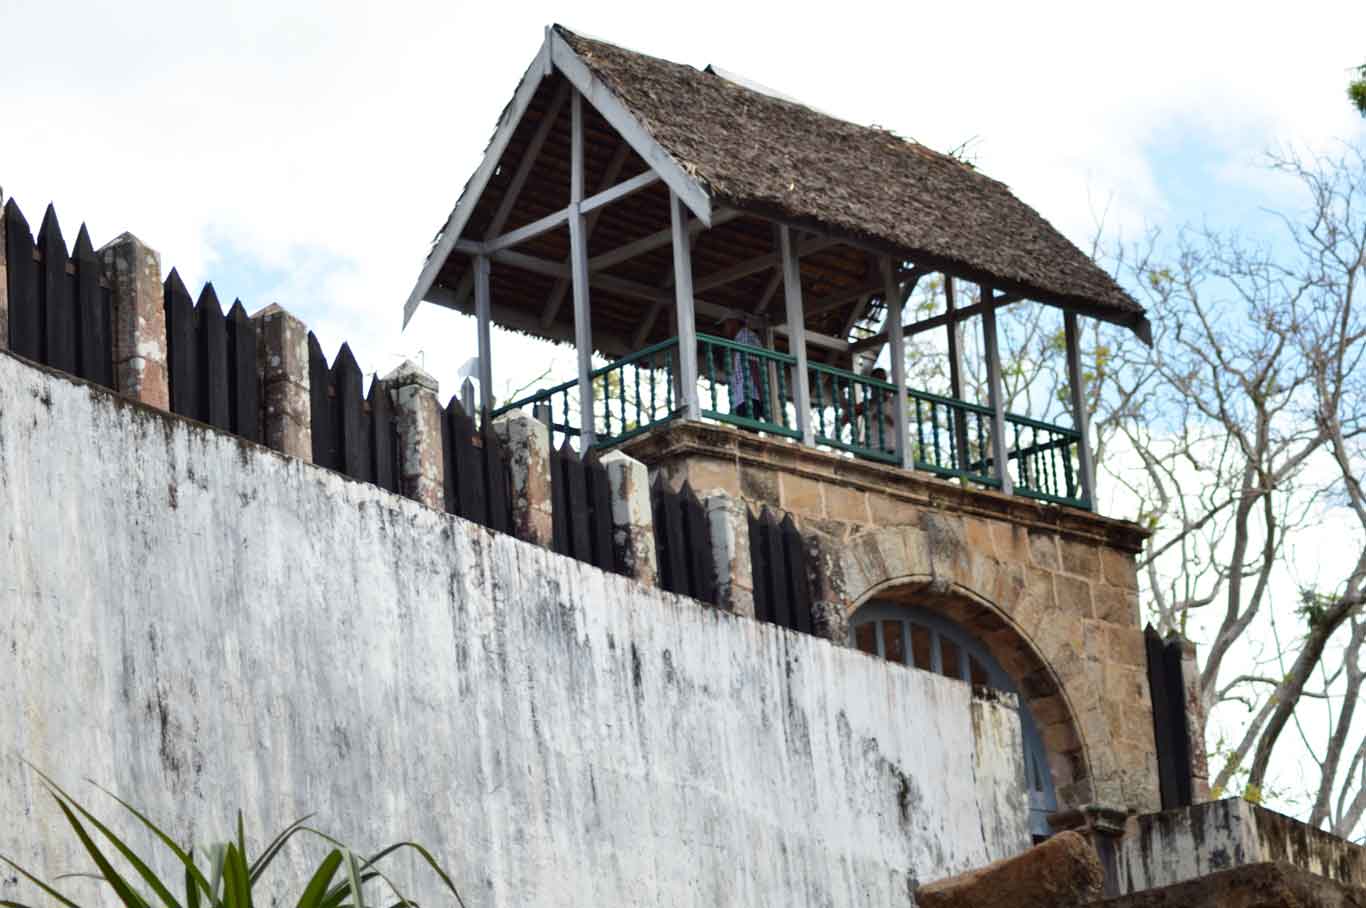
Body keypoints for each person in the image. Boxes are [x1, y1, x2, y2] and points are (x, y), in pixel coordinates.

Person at [720, 315, 766, 423]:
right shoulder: (738, 339)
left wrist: (762, 395)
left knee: (749, 430)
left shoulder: (747, 336)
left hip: (749, 396)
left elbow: (753, 364)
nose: (724, 329)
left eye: (726, 324)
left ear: (734, 322)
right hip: (742, 398)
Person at [854, 367, 897, 455]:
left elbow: (899, 424)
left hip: (890, 449)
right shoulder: (867, 404)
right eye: (877, 379)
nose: (880, 382)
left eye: (883, 379)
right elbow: (847, 416)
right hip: (871, 450)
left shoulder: (894, 402)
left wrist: (885, 416)